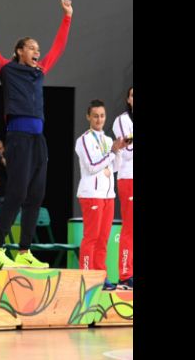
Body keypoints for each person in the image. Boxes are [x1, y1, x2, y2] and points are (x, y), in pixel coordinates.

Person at [0, 0, 74, 269]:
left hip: (38, 140)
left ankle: (23, 251)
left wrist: (67, 17)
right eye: (32, 48)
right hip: (19, 138)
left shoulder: (40, 71)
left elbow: (58, 48)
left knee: (36, 195)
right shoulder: (7, 70)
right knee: (17, 194)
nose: (37, 51)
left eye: (37, 49)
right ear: (19, 51)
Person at [75, 99, 128, 290]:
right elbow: (91, 167)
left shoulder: (107, 140)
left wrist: (119, 151)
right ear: (88, 116)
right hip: (91, 194)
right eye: (95, 116)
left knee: (103, 238)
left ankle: (101, 275)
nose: (99, 119)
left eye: (102, 116)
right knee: (92, 237)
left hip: (108, 196)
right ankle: (87, 278)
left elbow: (115, 167)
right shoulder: (83, 140)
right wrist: (112, 153)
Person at [111, 87, 133, 289]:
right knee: (130, 227)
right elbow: (126, 151)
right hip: (128, 177)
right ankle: (125, 275)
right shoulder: (121, 120)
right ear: (128, 99)